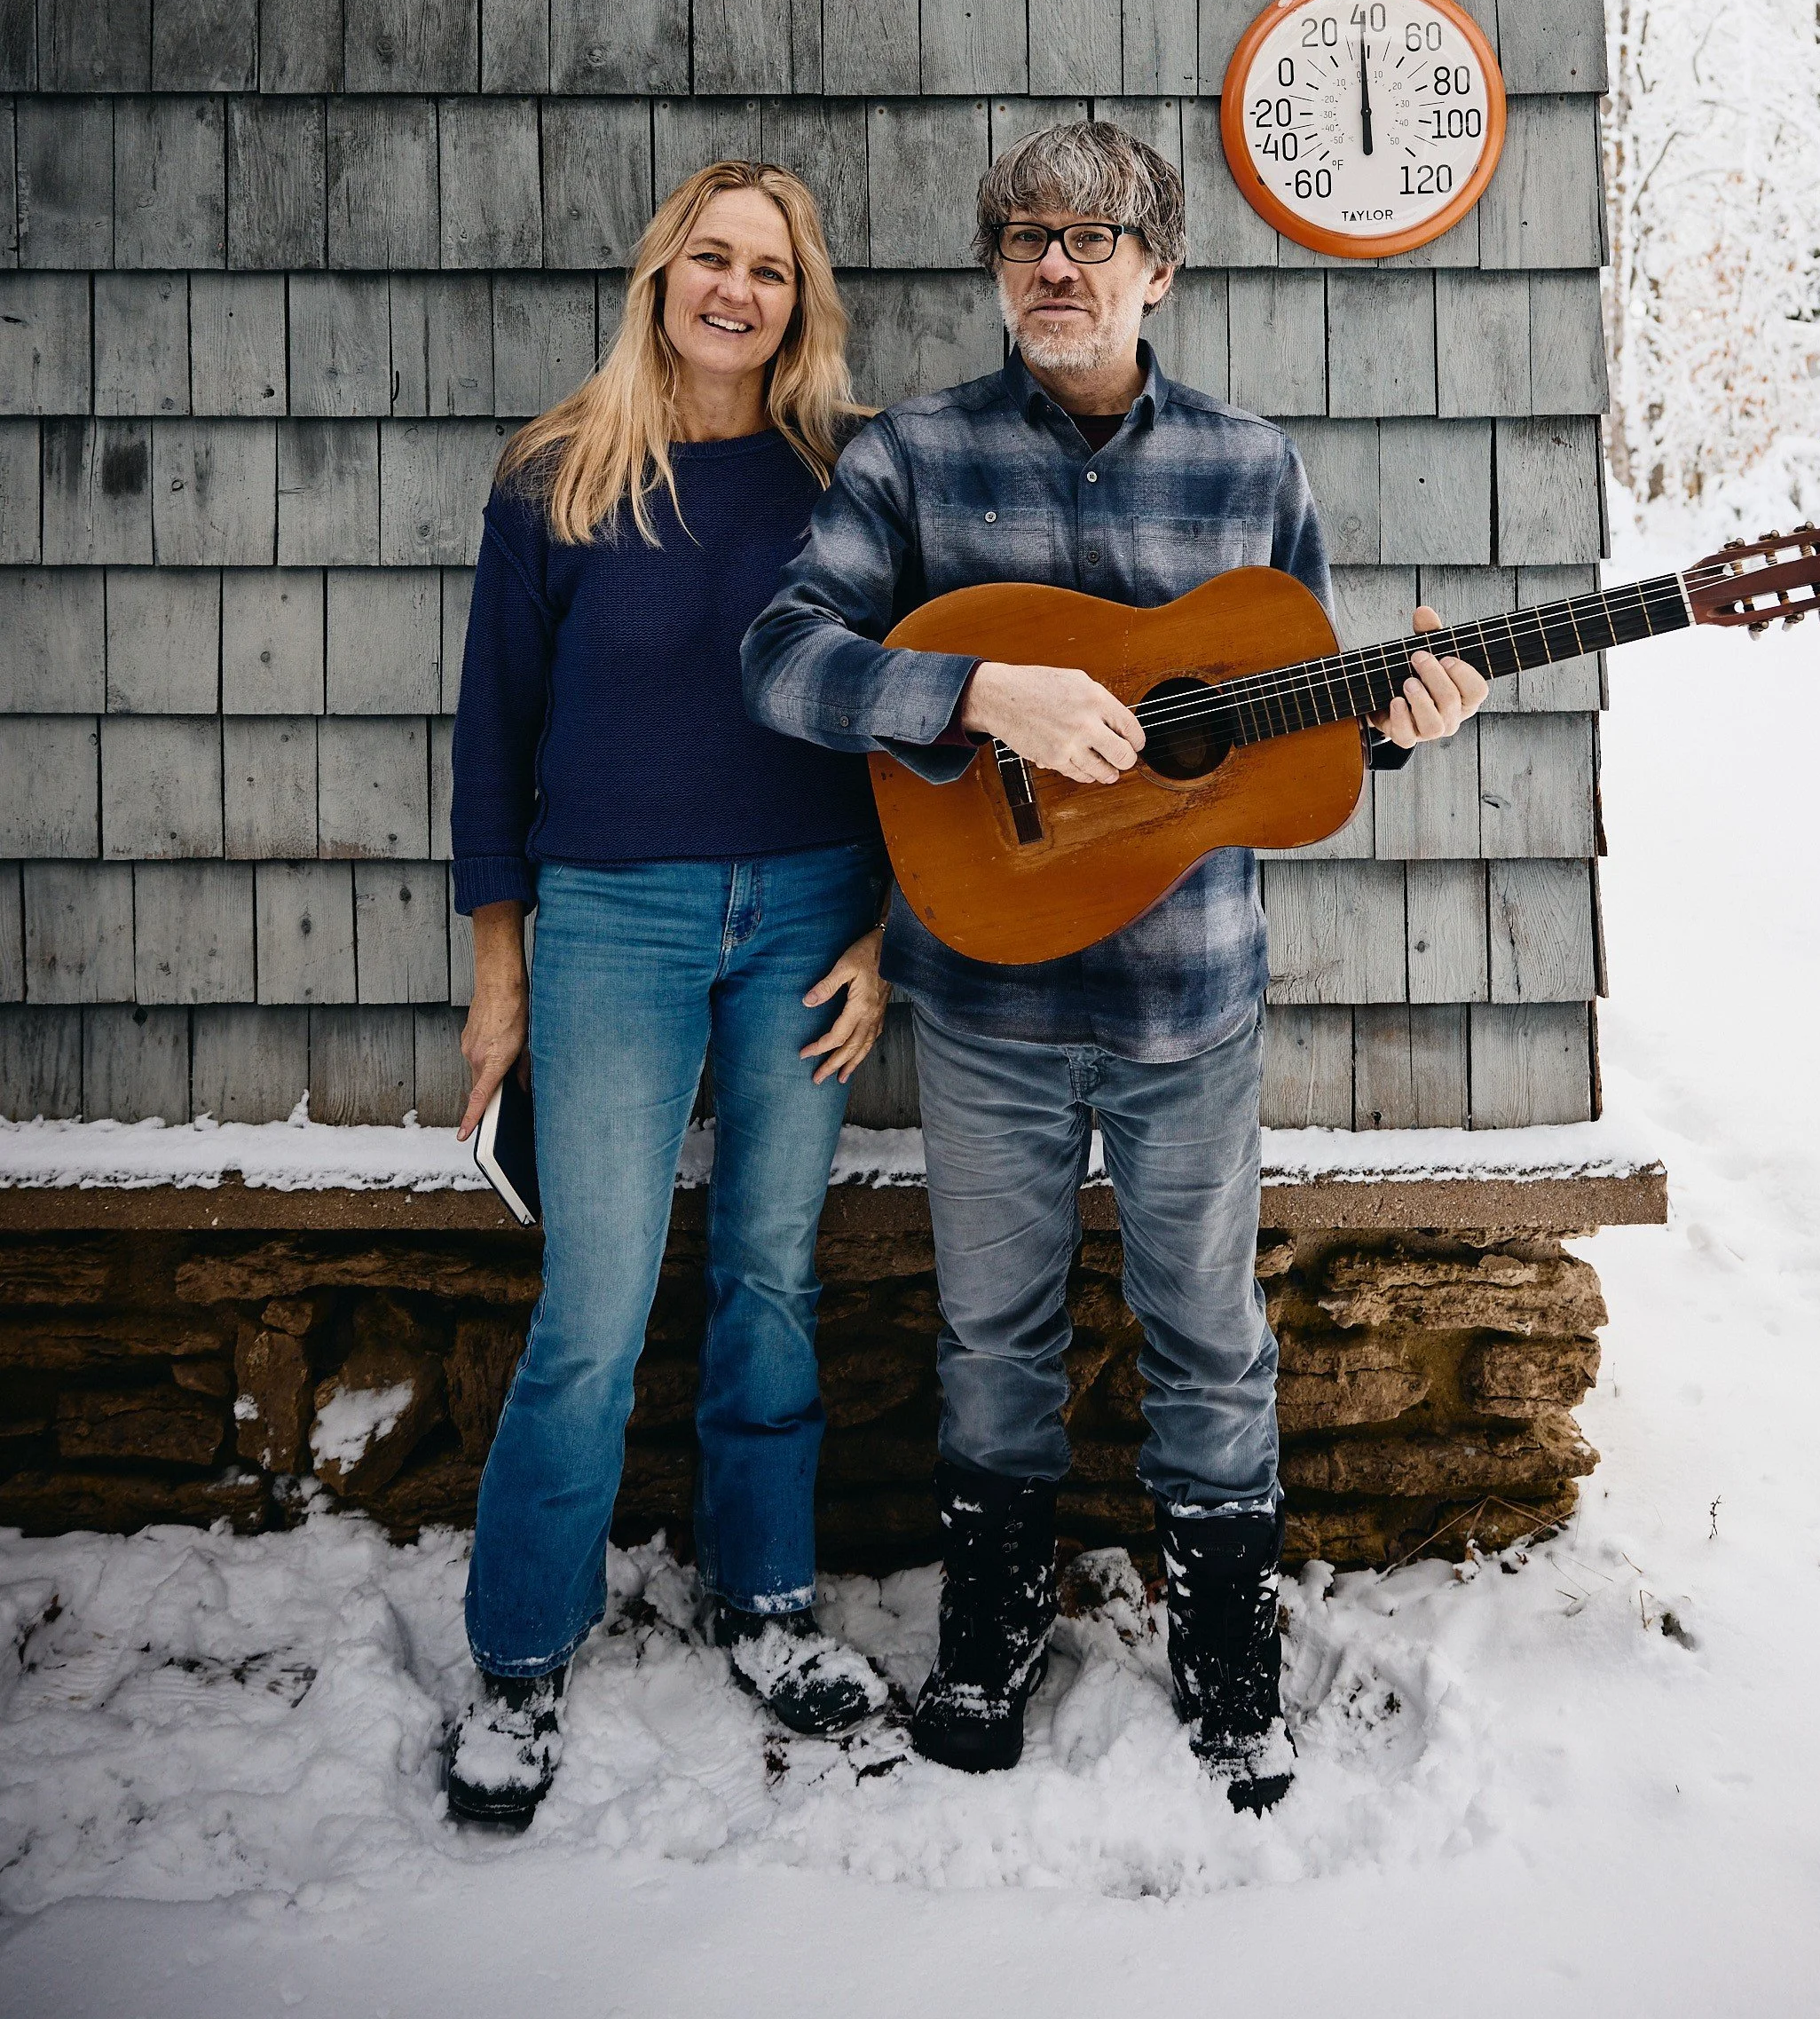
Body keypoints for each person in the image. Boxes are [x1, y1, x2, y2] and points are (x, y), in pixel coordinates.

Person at [742, 121, 1486, 1812]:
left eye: (1092, 237)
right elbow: (782, 658)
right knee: (990, 1335)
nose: (1054, 267)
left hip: (1187, 1003)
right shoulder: (914, 460)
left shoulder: (1248, 464)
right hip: (990, 993)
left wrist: (1397, 721)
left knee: (1208, 1333)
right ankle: (991, 1630)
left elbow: (1291, 741)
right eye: (1023, 237)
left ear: (1161, 269)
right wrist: (972, 694)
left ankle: (1231, 1655)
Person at [443, 160, 894, 1832]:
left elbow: (924, 711)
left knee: (771, 1275)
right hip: (613, 922)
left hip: (810, 916)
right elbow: (494, 743)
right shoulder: (559, 476)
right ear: (660, 277)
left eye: (770, 268)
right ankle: (519, 1649)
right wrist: (502, 975)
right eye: (711, 257)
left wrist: (891, 929)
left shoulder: (851, 477)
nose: (737, 290)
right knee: (597, 1300)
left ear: (802, 299)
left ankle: (767, 1599)